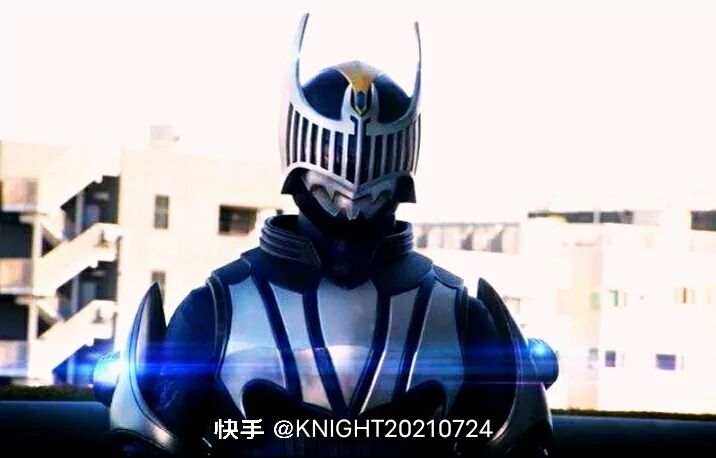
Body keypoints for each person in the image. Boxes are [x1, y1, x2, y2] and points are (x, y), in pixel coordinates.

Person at [96, 13, 558, 457]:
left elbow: (515, 444)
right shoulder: (216, 310)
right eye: (335, 166)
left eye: (369, 166)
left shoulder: (460, 316)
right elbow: (152, 443)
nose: (353, 186)